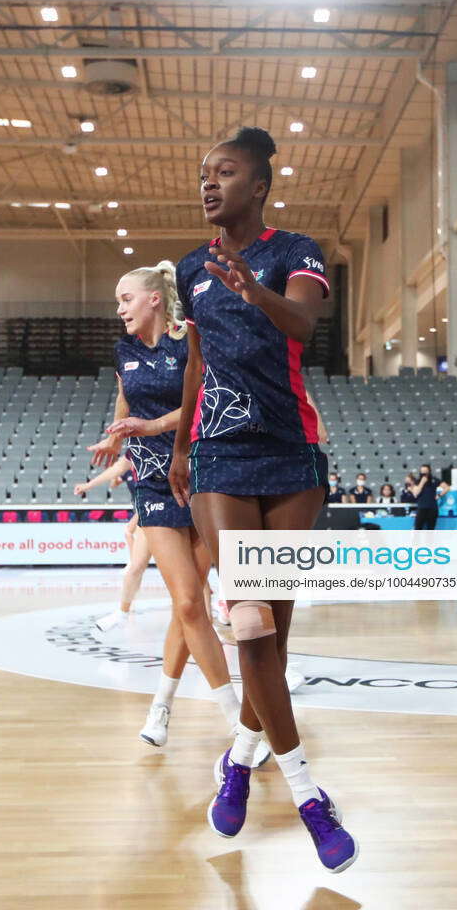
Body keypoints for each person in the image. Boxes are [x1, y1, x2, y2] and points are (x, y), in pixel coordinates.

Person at [170, 126, 358, 872]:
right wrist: (183, 444)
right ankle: (312, 799)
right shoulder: (191, 269)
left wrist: (256, 288)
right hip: (218, 457)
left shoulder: (295, 250)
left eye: (225, 172)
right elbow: (195, 360)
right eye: (204, 173)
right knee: (247, 623)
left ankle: (239, 763)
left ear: (259, 187)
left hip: (291, 460)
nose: (209, 184)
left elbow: (306, 323)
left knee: (270, 643)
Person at [87, 261, 267, 761]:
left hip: (201, 478)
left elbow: (205, 401)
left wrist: (150, 426)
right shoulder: (124, 352)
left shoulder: (189, 338)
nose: (119, 308)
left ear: (154, 300)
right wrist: (115, 435)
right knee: (188, 600)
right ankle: (235, 719)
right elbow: (125, 404)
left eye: (125, 298)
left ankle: (161, 704)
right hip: (151, 484)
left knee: (188, 606)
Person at [73, 456, 152, 632]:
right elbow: (116, 471)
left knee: (196, 576)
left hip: (184, 507)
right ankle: (123, 612)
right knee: (135, 567)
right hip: (151, 508)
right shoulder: (137, 453)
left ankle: (221, 605)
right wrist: (88, 485)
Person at [412, 463, 439, 530]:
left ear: (429, 472)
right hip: (421, 507)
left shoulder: (434, 480)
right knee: (418, 528)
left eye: (425, 473)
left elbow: (446, 487)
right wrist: (422, 483)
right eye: (422, 472)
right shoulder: (418, 481)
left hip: (432, 508)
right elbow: (415, 493)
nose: (424, 474)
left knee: (431, 529)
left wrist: (439, 495)